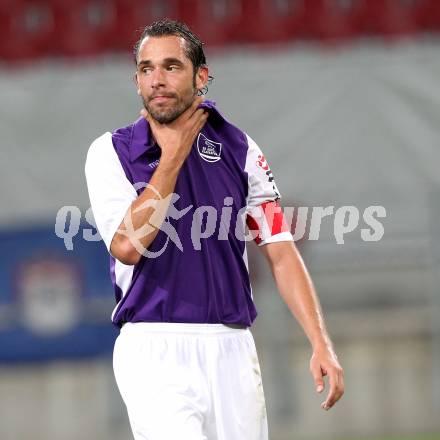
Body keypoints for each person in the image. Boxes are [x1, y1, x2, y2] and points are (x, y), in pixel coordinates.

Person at [85, 18, 344, 440]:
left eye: (171, 66)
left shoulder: (241, 150)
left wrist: (321, 342)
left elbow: (279, 249)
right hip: (154, 349)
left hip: (233, 349)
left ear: (201, 76)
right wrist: (171, 159)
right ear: (136, 81)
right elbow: (128, 247)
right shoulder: (110, 152)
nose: (157, 80)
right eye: (146, 69)